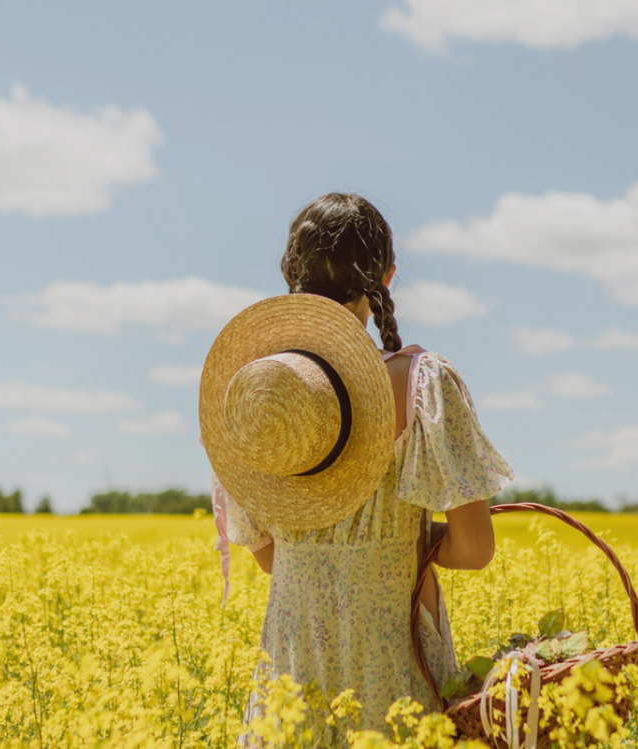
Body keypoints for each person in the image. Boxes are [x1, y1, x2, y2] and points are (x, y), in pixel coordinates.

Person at [207, 193, 513, 731]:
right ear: (386, 278)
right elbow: (474, 549)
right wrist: (413, 545)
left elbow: (269, 558)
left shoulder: (254, 399)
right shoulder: (423, 384)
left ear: (290, 274)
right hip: (391, 661)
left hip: (290, 666)